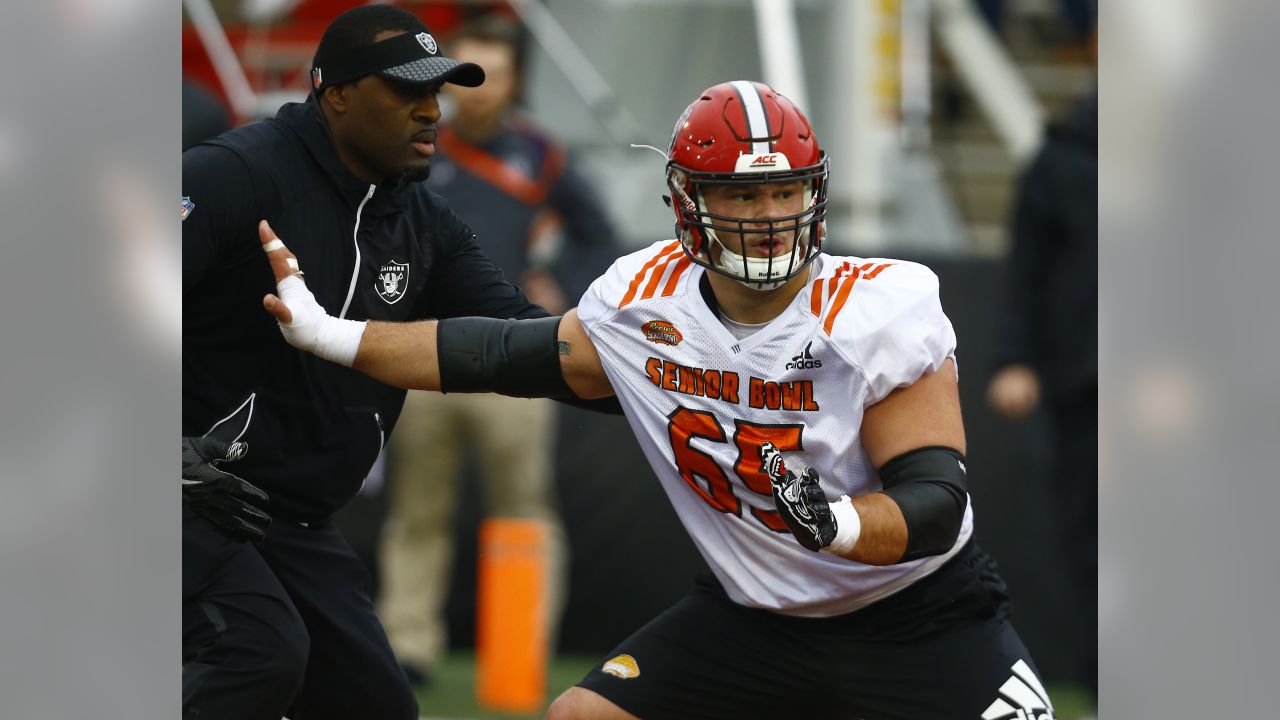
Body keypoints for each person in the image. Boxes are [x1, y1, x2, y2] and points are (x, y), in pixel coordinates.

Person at [261, 81, 1056, 719]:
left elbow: (935, 500)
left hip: (915, 617)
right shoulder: (644, 304)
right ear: (687, 202)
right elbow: (494, 352)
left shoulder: (876, 307)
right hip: (753, 617)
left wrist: (837, 521)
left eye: (783, 193)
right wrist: (329, 334)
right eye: (741, 198)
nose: (769, 218)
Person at [181, 6, 555, 719]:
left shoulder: (425, 224)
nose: (429, 110)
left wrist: (648, 365)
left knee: (374, 706)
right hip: (178, 492)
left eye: (437, 93)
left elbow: (528, 343)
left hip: (288, 520)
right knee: (258, 650)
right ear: (337, 93)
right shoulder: (235, 174)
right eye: (406, 91)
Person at [377, 15, 618, 686]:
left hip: (519, 358)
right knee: (416, 511)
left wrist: (563, 288)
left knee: (524, 508)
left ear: (515, 81)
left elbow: (600, 237)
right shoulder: (418, 146)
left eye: (492, 75)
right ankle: (408, 648)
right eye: (467, 74)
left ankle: (520, 649)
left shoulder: (543, 156)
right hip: (424, 357)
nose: (477, 90)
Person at [987, 89, 1097, 697]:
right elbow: (1024, 269)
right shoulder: (1058, 163)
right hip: (1084, 388)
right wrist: (1014, 360)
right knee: (1088, 538)